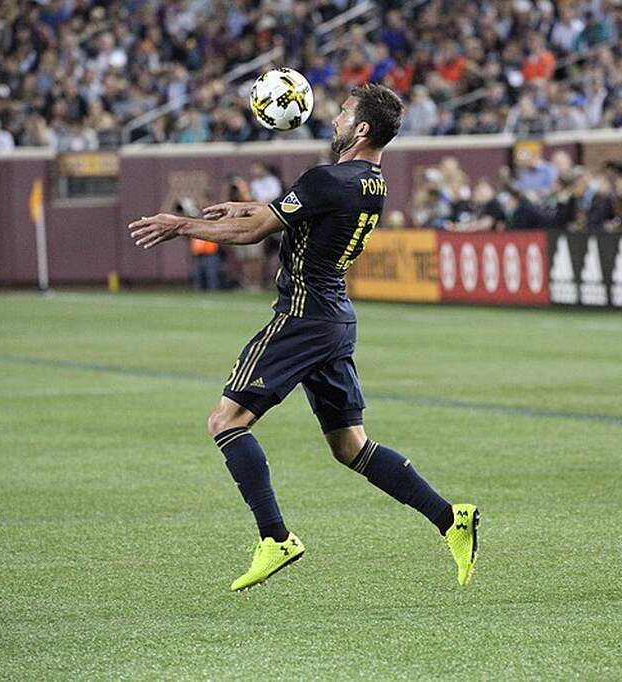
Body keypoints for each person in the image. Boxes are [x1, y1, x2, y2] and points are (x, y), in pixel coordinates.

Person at [127, 83, 479, 591]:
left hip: (302, 313)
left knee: (225, 420)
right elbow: (295, 213)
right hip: (335, 318)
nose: (334, 119)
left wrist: (182, 225)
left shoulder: (326, 179)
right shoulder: (370, 183)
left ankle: (275, 538)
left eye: (343, 113)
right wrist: (252, 206)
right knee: (350, 446)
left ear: (360, 129)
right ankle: (451, 519)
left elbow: (258, 232)